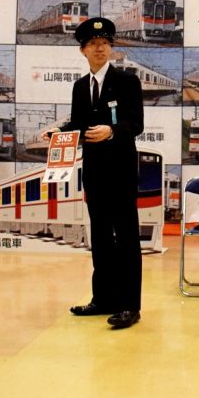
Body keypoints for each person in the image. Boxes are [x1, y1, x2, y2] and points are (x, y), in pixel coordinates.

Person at [56, 17, 144, 330]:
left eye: (105, 43)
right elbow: (78, 124)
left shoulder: (127, 81)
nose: (100, 48)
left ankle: (130, 306)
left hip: (121, 171)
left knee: (127, 237)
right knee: (101, 236)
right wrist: (58, 132)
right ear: (83, 50)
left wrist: (112, 131)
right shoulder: (80, 87)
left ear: (111, 48)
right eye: (93, 44)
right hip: (94, 171)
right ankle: (103, 298)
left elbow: (136, 124)